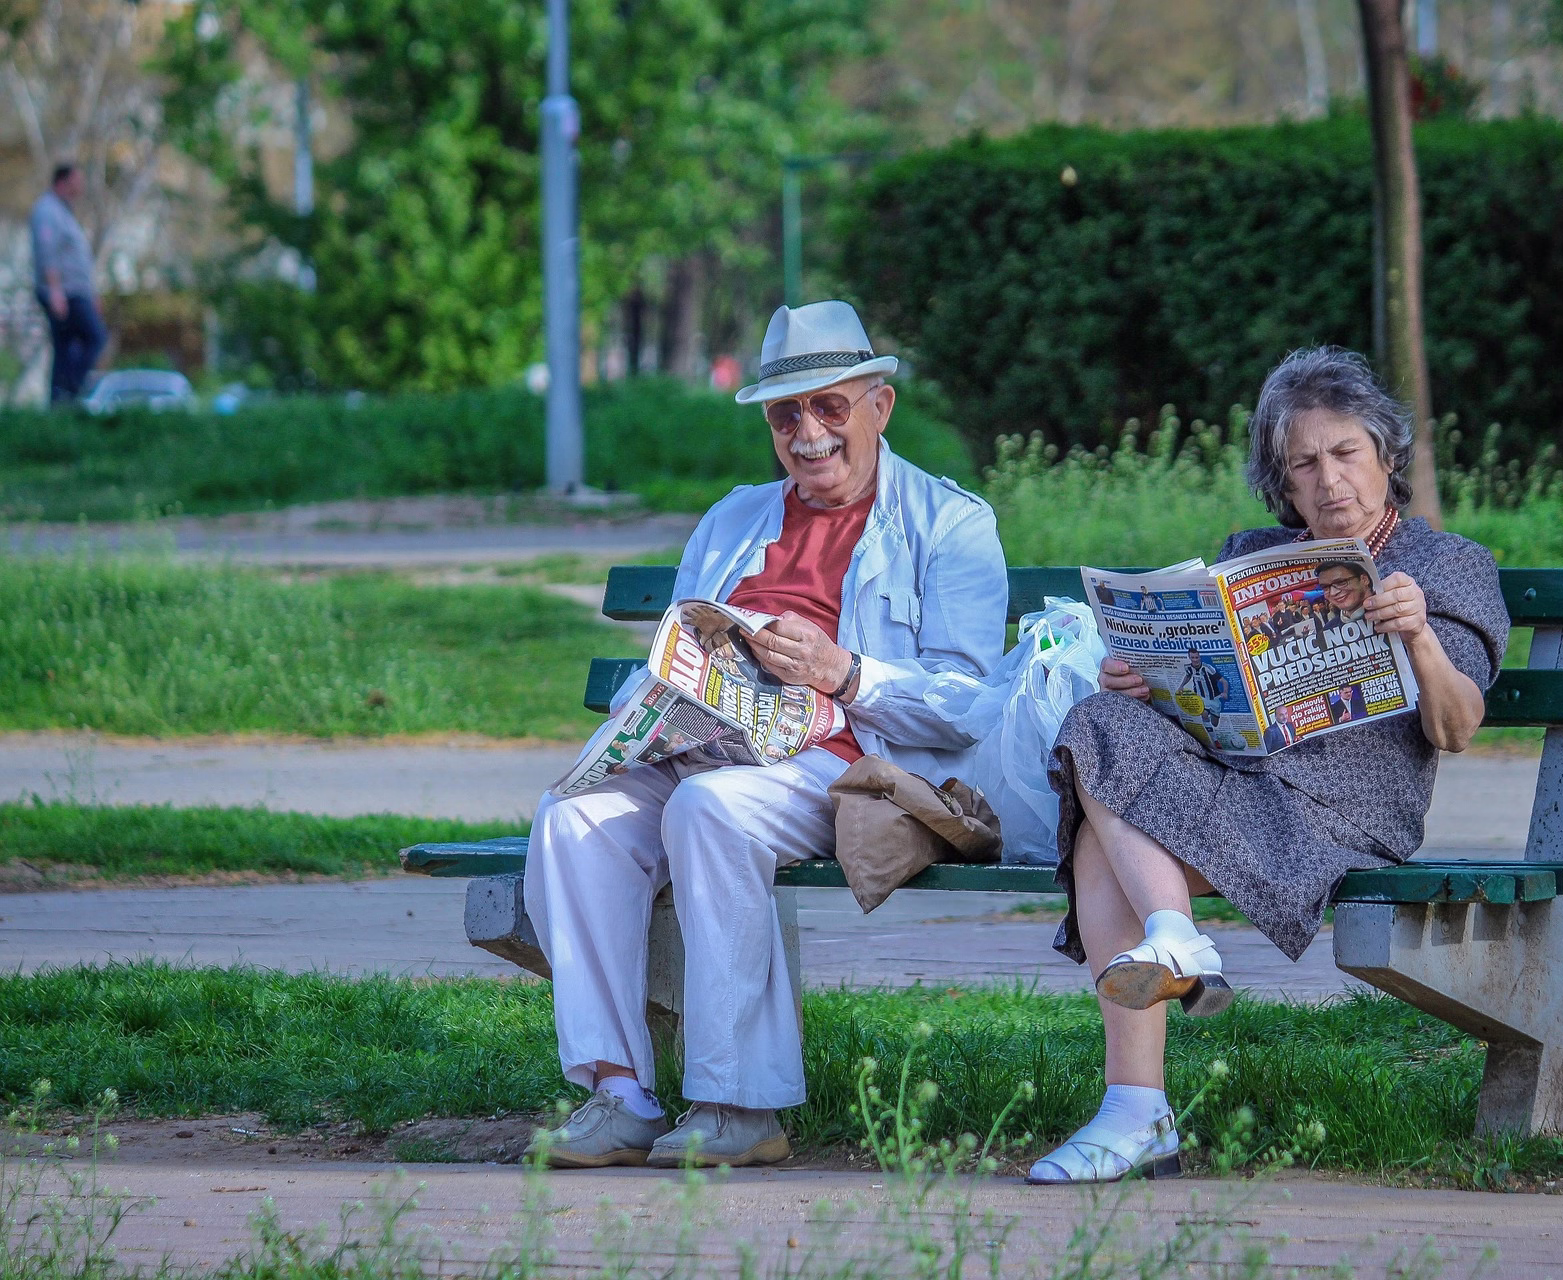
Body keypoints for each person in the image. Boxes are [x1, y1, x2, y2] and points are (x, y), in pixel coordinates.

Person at [523, 300, 1008, 1170]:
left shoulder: (950, 523)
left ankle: (740, 1105)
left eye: (832, 406)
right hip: (712, 747)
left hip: (849, 765)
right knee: (573, 817)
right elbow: (676, 645)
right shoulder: (732, 519)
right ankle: (620, 1092)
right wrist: (658, 705)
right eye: (787, 414)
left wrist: (844, 672)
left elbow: (969, 705)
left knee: (713, 810)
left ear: (879, 407)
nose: (809, 432)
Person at [1028, 346, 1509, 1184]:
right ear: (1283, 486)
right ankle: (1173, 947)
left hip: (1344, 817)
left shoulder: (1444, 566)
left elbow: (1459, 727)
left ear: (1386, 456)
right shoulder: (1255, 555)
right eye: (1303, 465)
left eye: (1345, 453)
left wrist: (1420, 636)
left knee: (1099, 840)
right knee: (1098, 720)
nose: (1329, 481)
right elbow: (1204, 700)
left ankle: (1136, 1105)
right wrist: (1148, 683)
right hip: (1239, 784)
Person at [31, 164, 105, 404]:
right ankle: (71, 390)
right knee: (95, 336)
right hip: (65, 293)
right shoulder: (47, 210)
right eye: (77, 181)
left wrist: (92, 294)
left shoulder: (65, 213)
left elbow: (77, 259)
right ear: (63, 182)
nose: (81, 186)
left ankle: (59, 402)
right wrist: (55, 291)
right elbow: (47, 253)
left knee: (64, 348)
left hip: (76, 291)